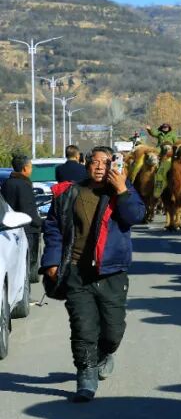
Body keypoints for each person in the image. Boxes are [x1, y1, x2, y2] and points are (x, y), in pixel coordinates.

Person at [41, 146, 145, 402]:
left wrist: (122, 189)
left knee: (112, 331)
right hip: (77, 271)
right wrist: (52, 260)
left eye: (105, 162)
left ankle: (104, 353)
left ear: (113, 165)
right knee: (83, 327)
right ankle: (86, 375)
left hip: (111, 272)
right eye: (94, 162)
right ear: (86, 164)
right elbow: (53, 227)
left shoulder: (122, 190)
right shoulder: (70, 192)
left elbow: (135, 216)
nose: (99, 167)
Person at [2, 154, 43, 280]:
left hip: (9, 229)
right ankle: (24, 291)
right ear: (25, 168)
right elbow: (28, 210)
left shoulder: (7, 183)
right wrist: (40, 224)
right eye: (30, 167)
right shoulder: (24, 185)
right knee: (26, 267)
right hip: (26, 230)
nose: (31, 170)